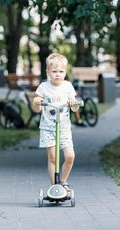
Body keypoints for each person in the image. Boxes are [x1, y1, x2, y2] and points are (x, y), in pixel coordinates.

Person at [33, 53, 80, 191]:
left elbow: (76, 107)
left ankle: (63, 181)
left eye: (61, 71)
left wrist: (73, 103)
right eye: (54, 71)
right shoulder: (43, 87)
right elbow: (37, 109)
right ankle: (55, 186)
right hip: (48, 128)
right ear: (47, 71)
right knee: (52, 158)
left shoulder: (68, 86)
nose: (57, 74)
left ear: (65, 72)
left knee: (70, 156)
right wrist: (36, 102)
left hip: (64, 128)